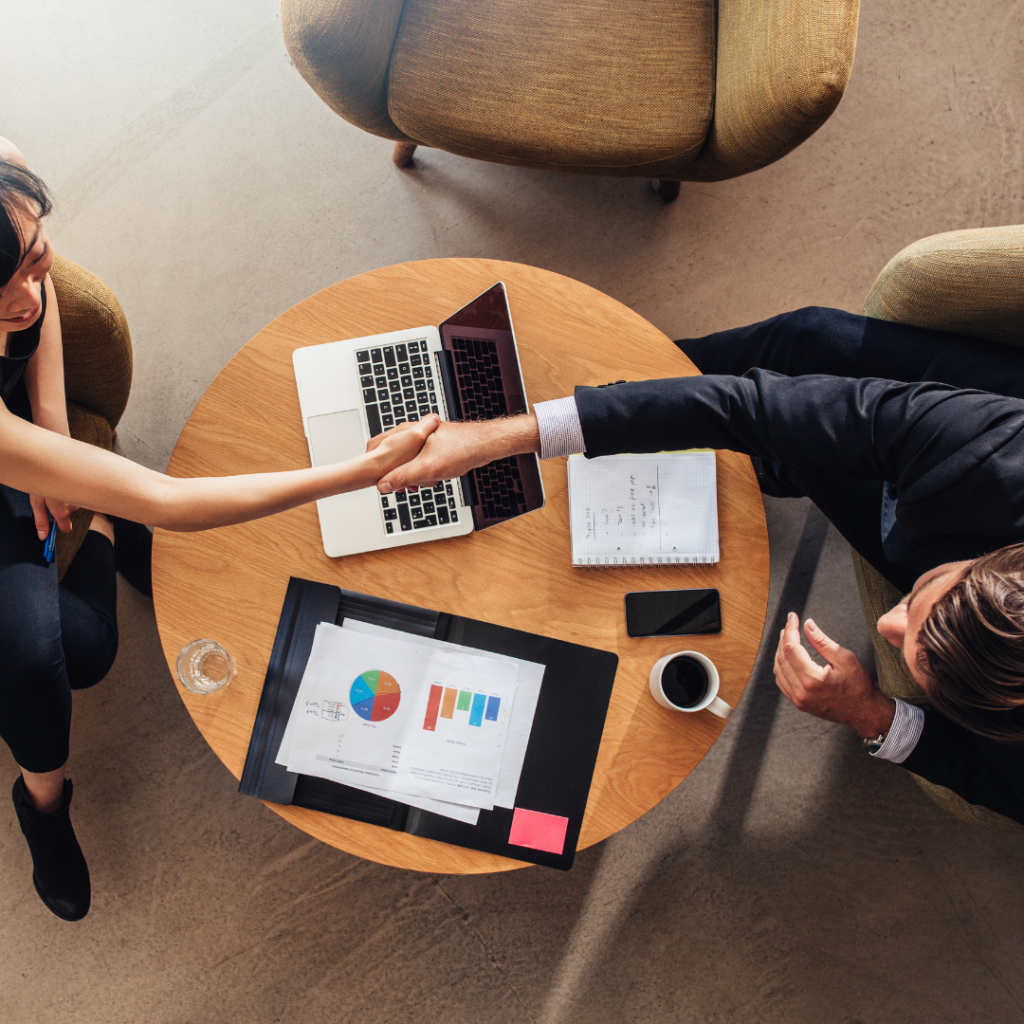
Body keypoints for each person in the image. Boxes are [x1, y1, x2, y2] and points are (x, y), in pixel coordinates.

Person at [0, 143, 440, 921]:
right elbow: (168, 502)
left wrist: (55, 431)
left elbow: (42, 298)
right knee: (63, 655)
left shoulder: (4, 173)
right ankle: (43, 802)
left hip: (19, 441)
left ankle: (92, 503)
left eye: (35, 259)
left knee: (80, 642)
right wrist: (360, 470)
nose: (30, 298)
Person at [370, 305, 1024, 825]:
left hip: (942, 514)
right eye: (917, 604)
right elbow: (755, 407)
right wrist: (505, 436)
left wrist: (875, 715)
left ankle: (774, 465)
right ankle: (637, 394)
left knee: (797, 454)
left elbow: (998, 786)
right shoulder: (992, 446)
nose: (885, 620)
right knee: (802, 344)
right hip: (969, 452)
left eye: (913, 653)